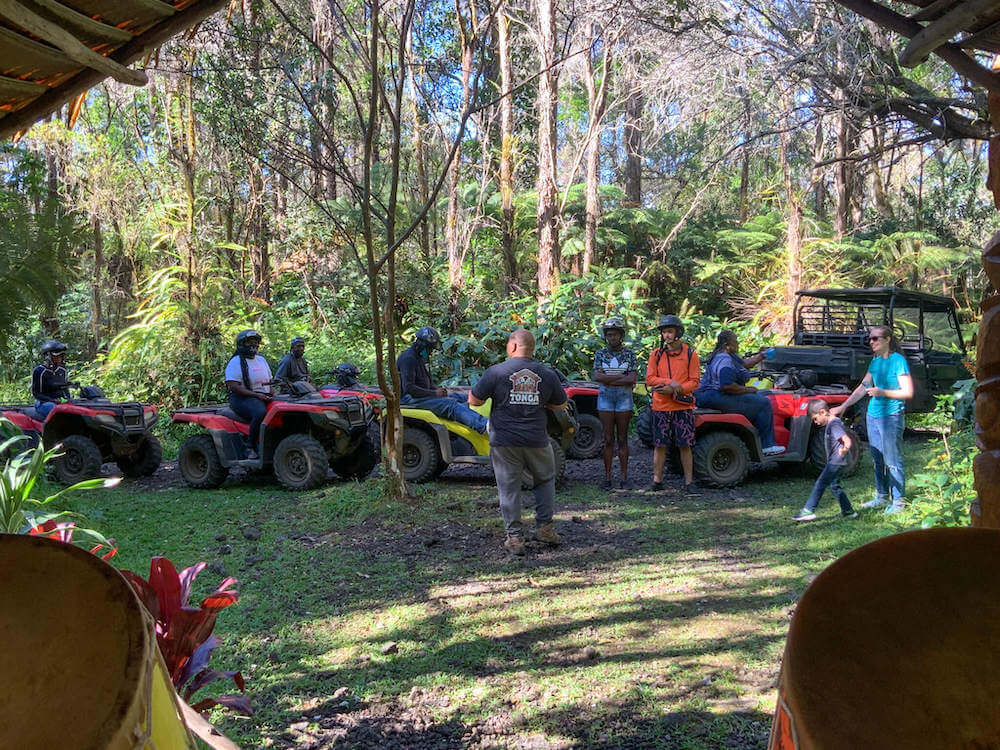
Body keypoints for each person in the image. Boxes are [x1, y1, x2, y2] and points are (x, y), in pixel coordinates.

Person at [469, 328, 568, 556]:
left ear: (513, 346)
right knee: (544, 480)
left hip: (505, 441)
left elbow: (474, 400)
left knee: (508, 487)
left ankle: (515, 538)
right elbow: (561, 404)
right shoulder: (546, 373)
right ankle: (545, 527)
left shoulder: (496, 372)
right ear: (532, 348)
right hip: (537, 439)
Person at [831, 324, 913, 514]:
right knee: (877, 457)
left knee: (892, 457)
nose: (871, 342)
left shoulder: (898, 360)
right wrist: (844, 406)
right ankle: (882, 496)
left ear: (887, 340)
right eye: (870, 338)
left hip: (891, 415)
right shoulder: (875, 361)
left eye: (875, 338)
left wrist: (882, 392)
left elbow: (907, 392)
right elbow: (863, 387)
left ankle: (899, 501)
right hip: (873, 415)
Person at [695, 330, 786, 457]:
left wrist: (761, 355)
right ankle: (767, 445)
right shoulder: (725, 360)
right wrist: (749, 390)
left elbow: (745, 364)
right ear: (727, 344)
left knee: (757, 398)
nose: (738, 343)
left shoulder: (724, 354)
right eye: (735, 341)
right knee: (764, 403)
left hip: (704, 395)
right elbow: (726, 386)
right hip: (714, 395)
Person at [645, 315, 701, 494]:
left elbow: (695, 382)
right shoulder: (656, 354)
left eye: (669, 331)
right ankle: (657, 480)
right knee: (659, 444)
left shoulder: (690, 354)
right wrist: (670, 382)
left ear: (678, 332)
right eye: (664, 332)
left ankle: (689, 482)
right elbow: (650, 379)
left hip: (682, 407)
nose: (666, 335)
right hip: (660, 407)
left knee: (685, 444)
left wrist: (676, 390)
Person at [396, 326, 487, 433]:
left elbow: (425, 382)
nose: (430, 352)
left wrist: (438, 391)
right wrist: (434, 393)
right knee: (450, 405)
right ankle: (484, 425)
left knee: (460, 397)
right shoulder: (408, 358)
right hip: (410, 399)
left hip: (421, 396)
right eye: (430, 349)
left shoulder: (419, 357)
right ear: (422, 345)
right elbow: (409, 388)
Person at [792, 400, 858, 521]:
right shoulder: (832, 422)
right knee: (834, 486)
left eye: (815, 419)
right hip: (834, 461)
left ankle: (809, 510)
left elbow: (847, 440)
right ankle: (848, 511)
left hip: (835, 462)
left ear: (822, 412)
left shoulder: (834, 424)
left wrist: (844, 450)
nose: (816, 422)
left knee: (820, 483)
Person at [593, 318, 637, 490]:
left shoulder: (629, 354)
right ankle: (607, 477)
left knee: (623, 438)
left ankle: (625, 478)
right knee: (608, 438)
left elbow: (632, 378)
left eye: (615, 334)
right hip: (605, 398)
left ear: (621, 336)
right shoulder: (600, 353)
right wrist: (621, 379)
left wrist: (609, 380)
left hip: (623, 398)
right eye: (609, 335)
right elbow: (598, 377)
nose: (612, 338)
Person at [224, 329, 273, 460]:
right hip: (241, 398)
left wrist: (274, 394)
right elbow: (234, 387)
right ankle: (249, 446)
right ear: (241, 344)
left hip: (263, 395)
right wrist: (256, 395)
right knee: (260, 412)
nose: (254, 345)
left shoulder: (261, 360)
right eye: (250, 342)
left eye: (256, 342)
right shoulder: (235, 362)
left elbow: (269, 382)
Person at [31, 340, 72, 418]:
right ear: (48, 356)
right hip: (43, 403)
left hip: (59, 402)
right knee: (57, 409)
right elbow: (36, 393)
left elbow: (65, 390)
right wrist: (52, 400)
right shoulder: (39, 371)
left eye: (61, 356)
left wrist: (67, 399)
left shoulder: (62, 370)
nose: (59, 359)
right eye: (57, 356)